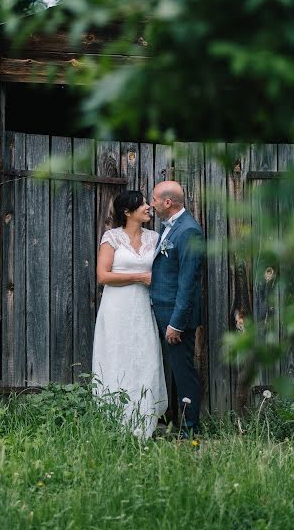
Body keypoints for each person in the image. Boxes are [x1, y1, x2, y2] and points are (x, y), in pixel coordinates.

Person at [92, 190, 168, 438]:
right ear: (127, 212)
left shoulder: (156, 238)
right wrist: (140, 276)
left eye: (148, 202)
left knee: (144, 356)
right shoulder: (112, 237)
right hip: (117, 308)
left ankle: (144, 419)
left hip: (144, 307)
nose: (148, 207)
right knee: (117, 356)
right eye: (142, 204)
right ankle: (114, 420)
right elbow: (103, 276)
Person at [150, 181, 204, 437]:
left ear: (167, 203)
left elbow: (187, 282)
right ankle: (176, 423)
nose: (152, 204)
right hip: (163, 311)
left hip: (176, 316)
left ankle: (190, 429)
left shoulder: (189, 231)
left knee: (183, 371)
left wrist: (177, 323)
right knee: (174, 369)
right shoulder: (172, 228)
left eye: (154, 199)